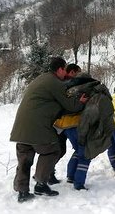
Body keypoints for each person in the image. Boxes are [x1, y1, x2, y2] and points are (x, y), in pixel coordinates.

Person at [10, 57, 88, 203]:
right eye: (64, 69)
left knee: (25, 158)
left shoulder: (40, 79)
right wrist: (81, 102)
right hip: (38, 126)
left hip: (20, 127)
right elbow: (71, 106)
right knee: (53, 150)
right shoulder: (55, 83)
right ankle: (40, 184)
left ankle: (22, 191)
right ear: (59, 69)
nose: (65, 72)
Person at [61, 72, 115, 191]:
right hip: (79, 126)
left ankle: (71, 176)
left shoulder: (70, 90)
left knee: (79, 150)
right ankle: (79, 184)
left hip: (65, 126)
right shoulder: (91, 93)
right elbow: (89, 116)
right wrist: (84, 133)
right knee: (85, 155)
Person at [48, 63, 82, 185]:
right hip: (68, 122)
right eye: (78, 72)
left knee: (60, 150)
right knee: (78, 149)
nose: (79, 75)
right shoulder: (71, 85)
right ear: (72, 72)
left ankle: (47, 173)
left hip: (58, 123)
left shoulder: (60, 82)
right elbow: (68, 105)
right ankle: (50, 173)